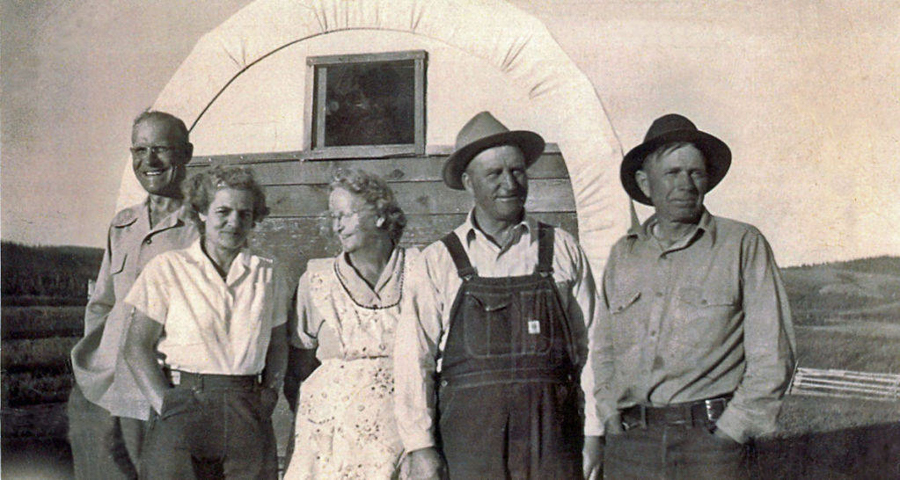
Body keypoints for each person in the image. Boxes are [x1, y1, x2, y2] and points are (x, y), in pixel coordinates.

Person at [394, 111, 604, 479]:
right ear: (468, 181)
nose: (509, 183)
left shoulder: (562, 248)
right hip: (470, 440)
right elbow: (415, 358)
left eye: (517, 171)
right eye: (494, 174)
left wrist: (594, 433)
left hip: (552, 437)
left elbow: (593, 348)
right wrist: (420, 446)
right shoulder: (438, 260)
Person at [592, 114, 796, 479]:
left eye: (695, 173)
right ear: (645, 182)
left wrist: (731, 432)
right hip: (631, 448)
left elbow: (773, 354)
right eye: (672, 173)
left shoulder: (742, 245)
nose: (685, 184)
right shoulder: (623, 255)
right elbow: (604, 349)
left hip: (711, 449)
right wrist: (609, 416)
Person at [123, 165, 288, 479]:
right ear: (201, 212)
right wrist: (167, 408)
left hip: (247, 407)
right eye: (223, 211)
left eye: (245, 214)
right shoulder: (167, 268)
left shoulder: (268, 273)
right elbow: (135, 347)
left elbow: (278, 343)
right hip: (185, 403)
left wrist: (269, 395)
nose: (234, 223)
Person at [68, 110, 198, 479]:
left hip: (160, 387)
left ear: (186, 154)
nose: (148, 161)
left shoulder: (202, 226)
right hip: (105, 389)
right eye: (139, 150)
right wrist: (93, 363)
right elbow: (103, 303)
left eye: (160, 149)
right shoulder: (123, 223)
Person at [283, 169, 413, 479]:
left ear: (381, 215)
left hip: (402, 432)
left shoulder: (419, 272)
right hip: (331, 442)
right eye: (333, 217)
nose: (336, 225)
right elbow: (299, 368)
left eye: (345, 215)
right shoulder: (317, 280)